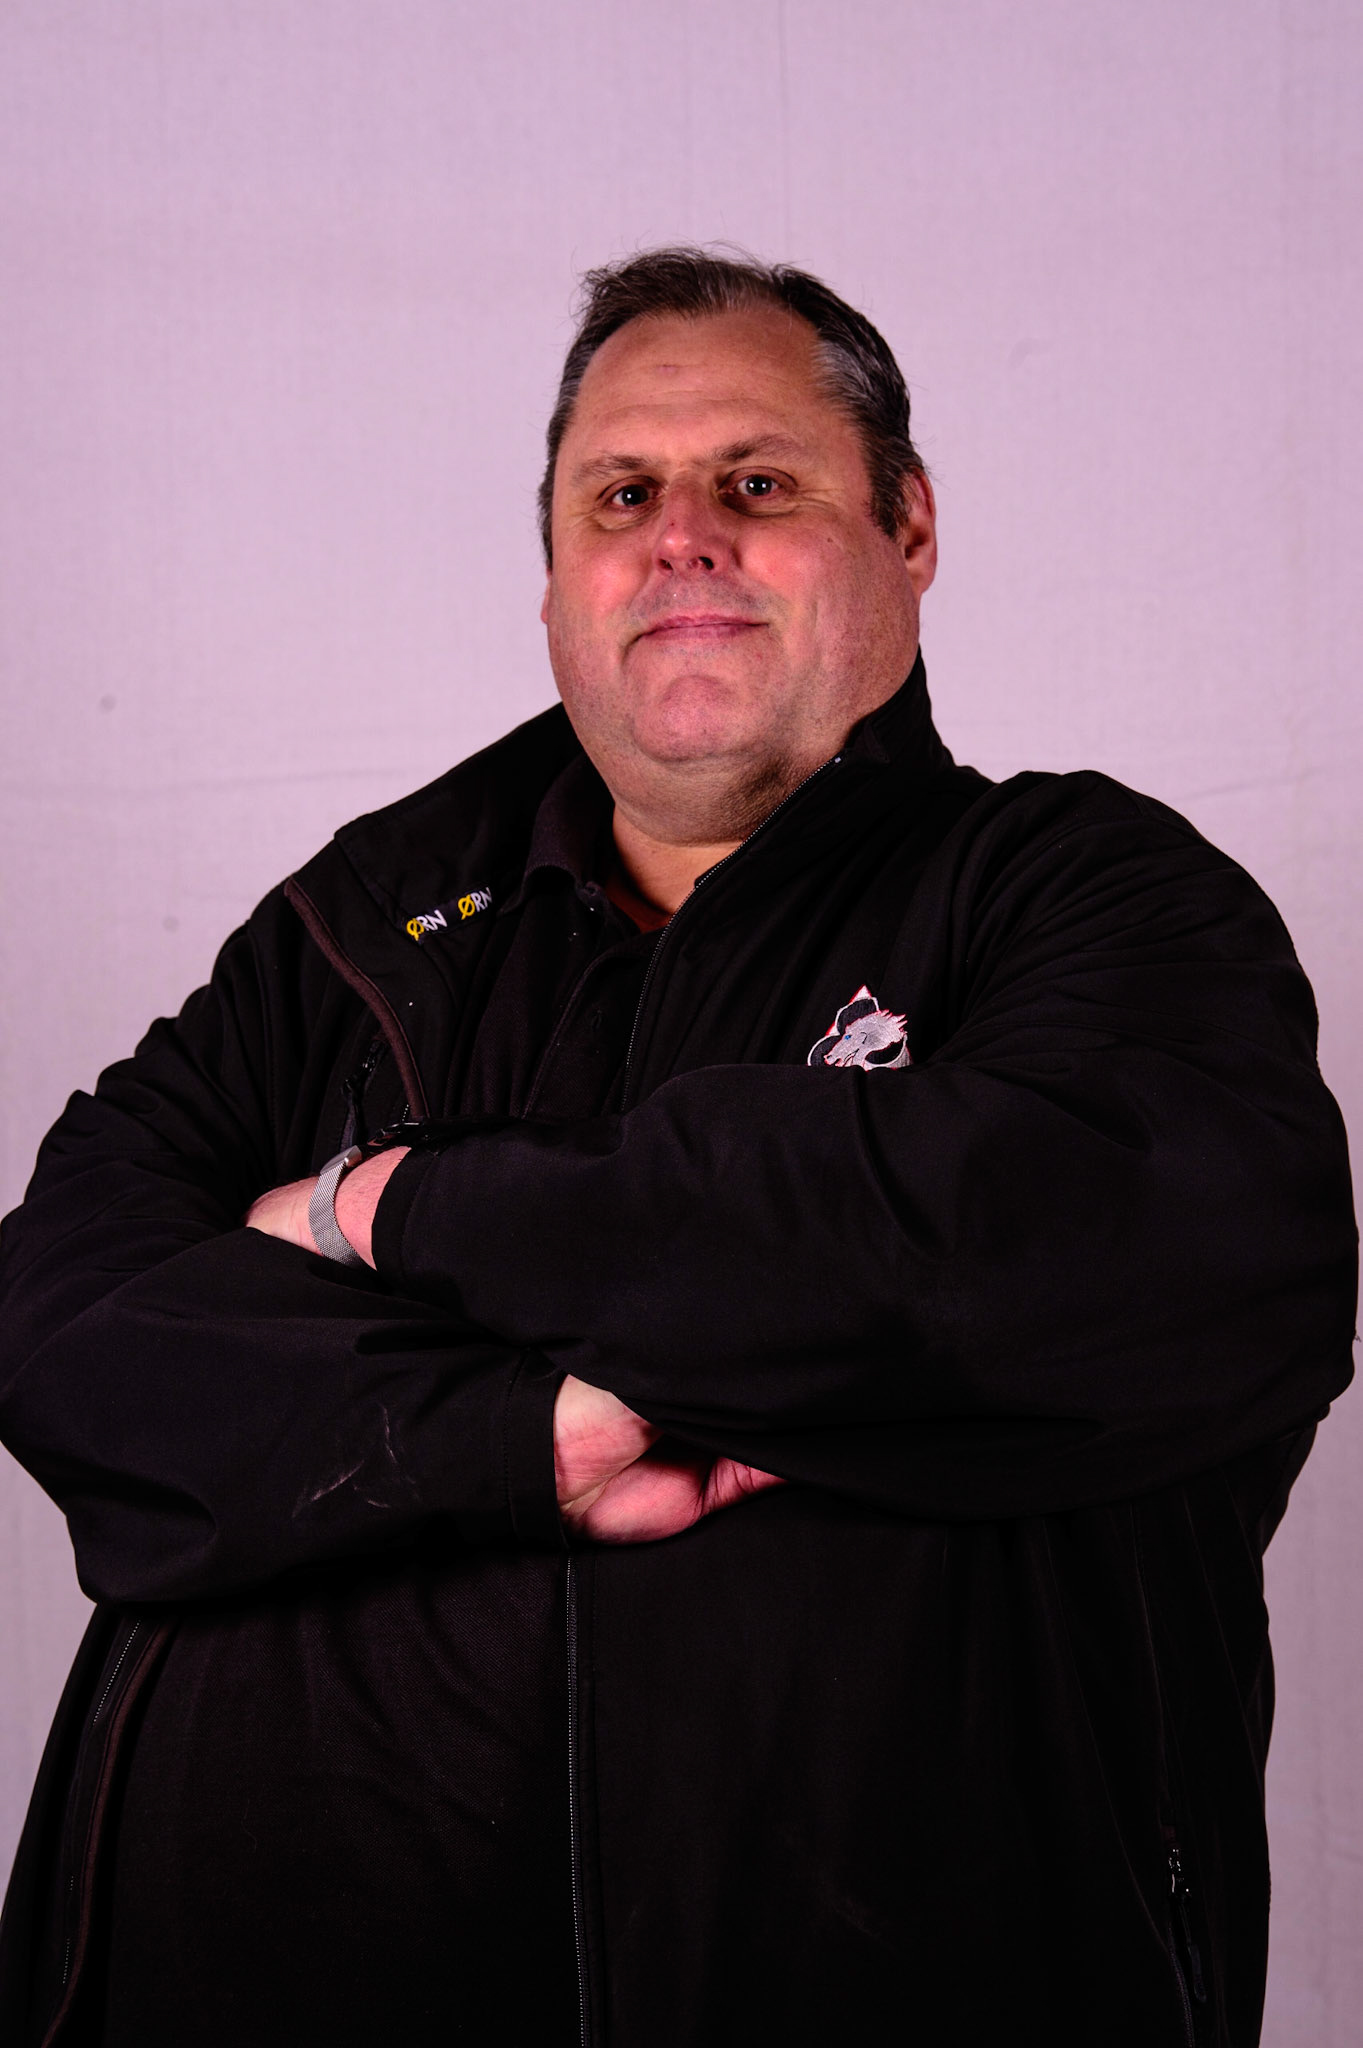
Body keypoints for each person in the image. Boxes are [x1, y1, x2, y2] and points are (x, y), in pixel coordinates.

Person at [0, 247, 1355, 2048]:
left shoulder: (1084, 897)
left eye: (760, 483)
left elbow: (1054, 1260)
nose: (682, 537)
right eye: (621, 494)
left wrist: (376, 1206)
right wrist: (512, 1432)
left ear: (912, 530)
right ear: (556, 566)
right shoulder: (351, 931)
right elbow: (67, 1319)